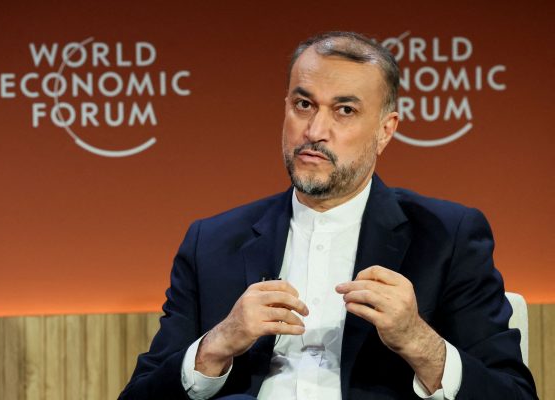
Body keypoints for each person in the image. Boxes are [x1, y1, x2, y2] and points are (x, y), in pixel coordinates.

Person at [119, 31, 537, 399]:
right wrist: (217, 344)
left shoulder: (447, 237)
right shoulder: (212, 242)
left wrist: (417, 339)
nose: (315, 131)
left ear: (386, 130)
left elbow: (512, 394)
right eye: (304, 104)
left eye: (344, 110)